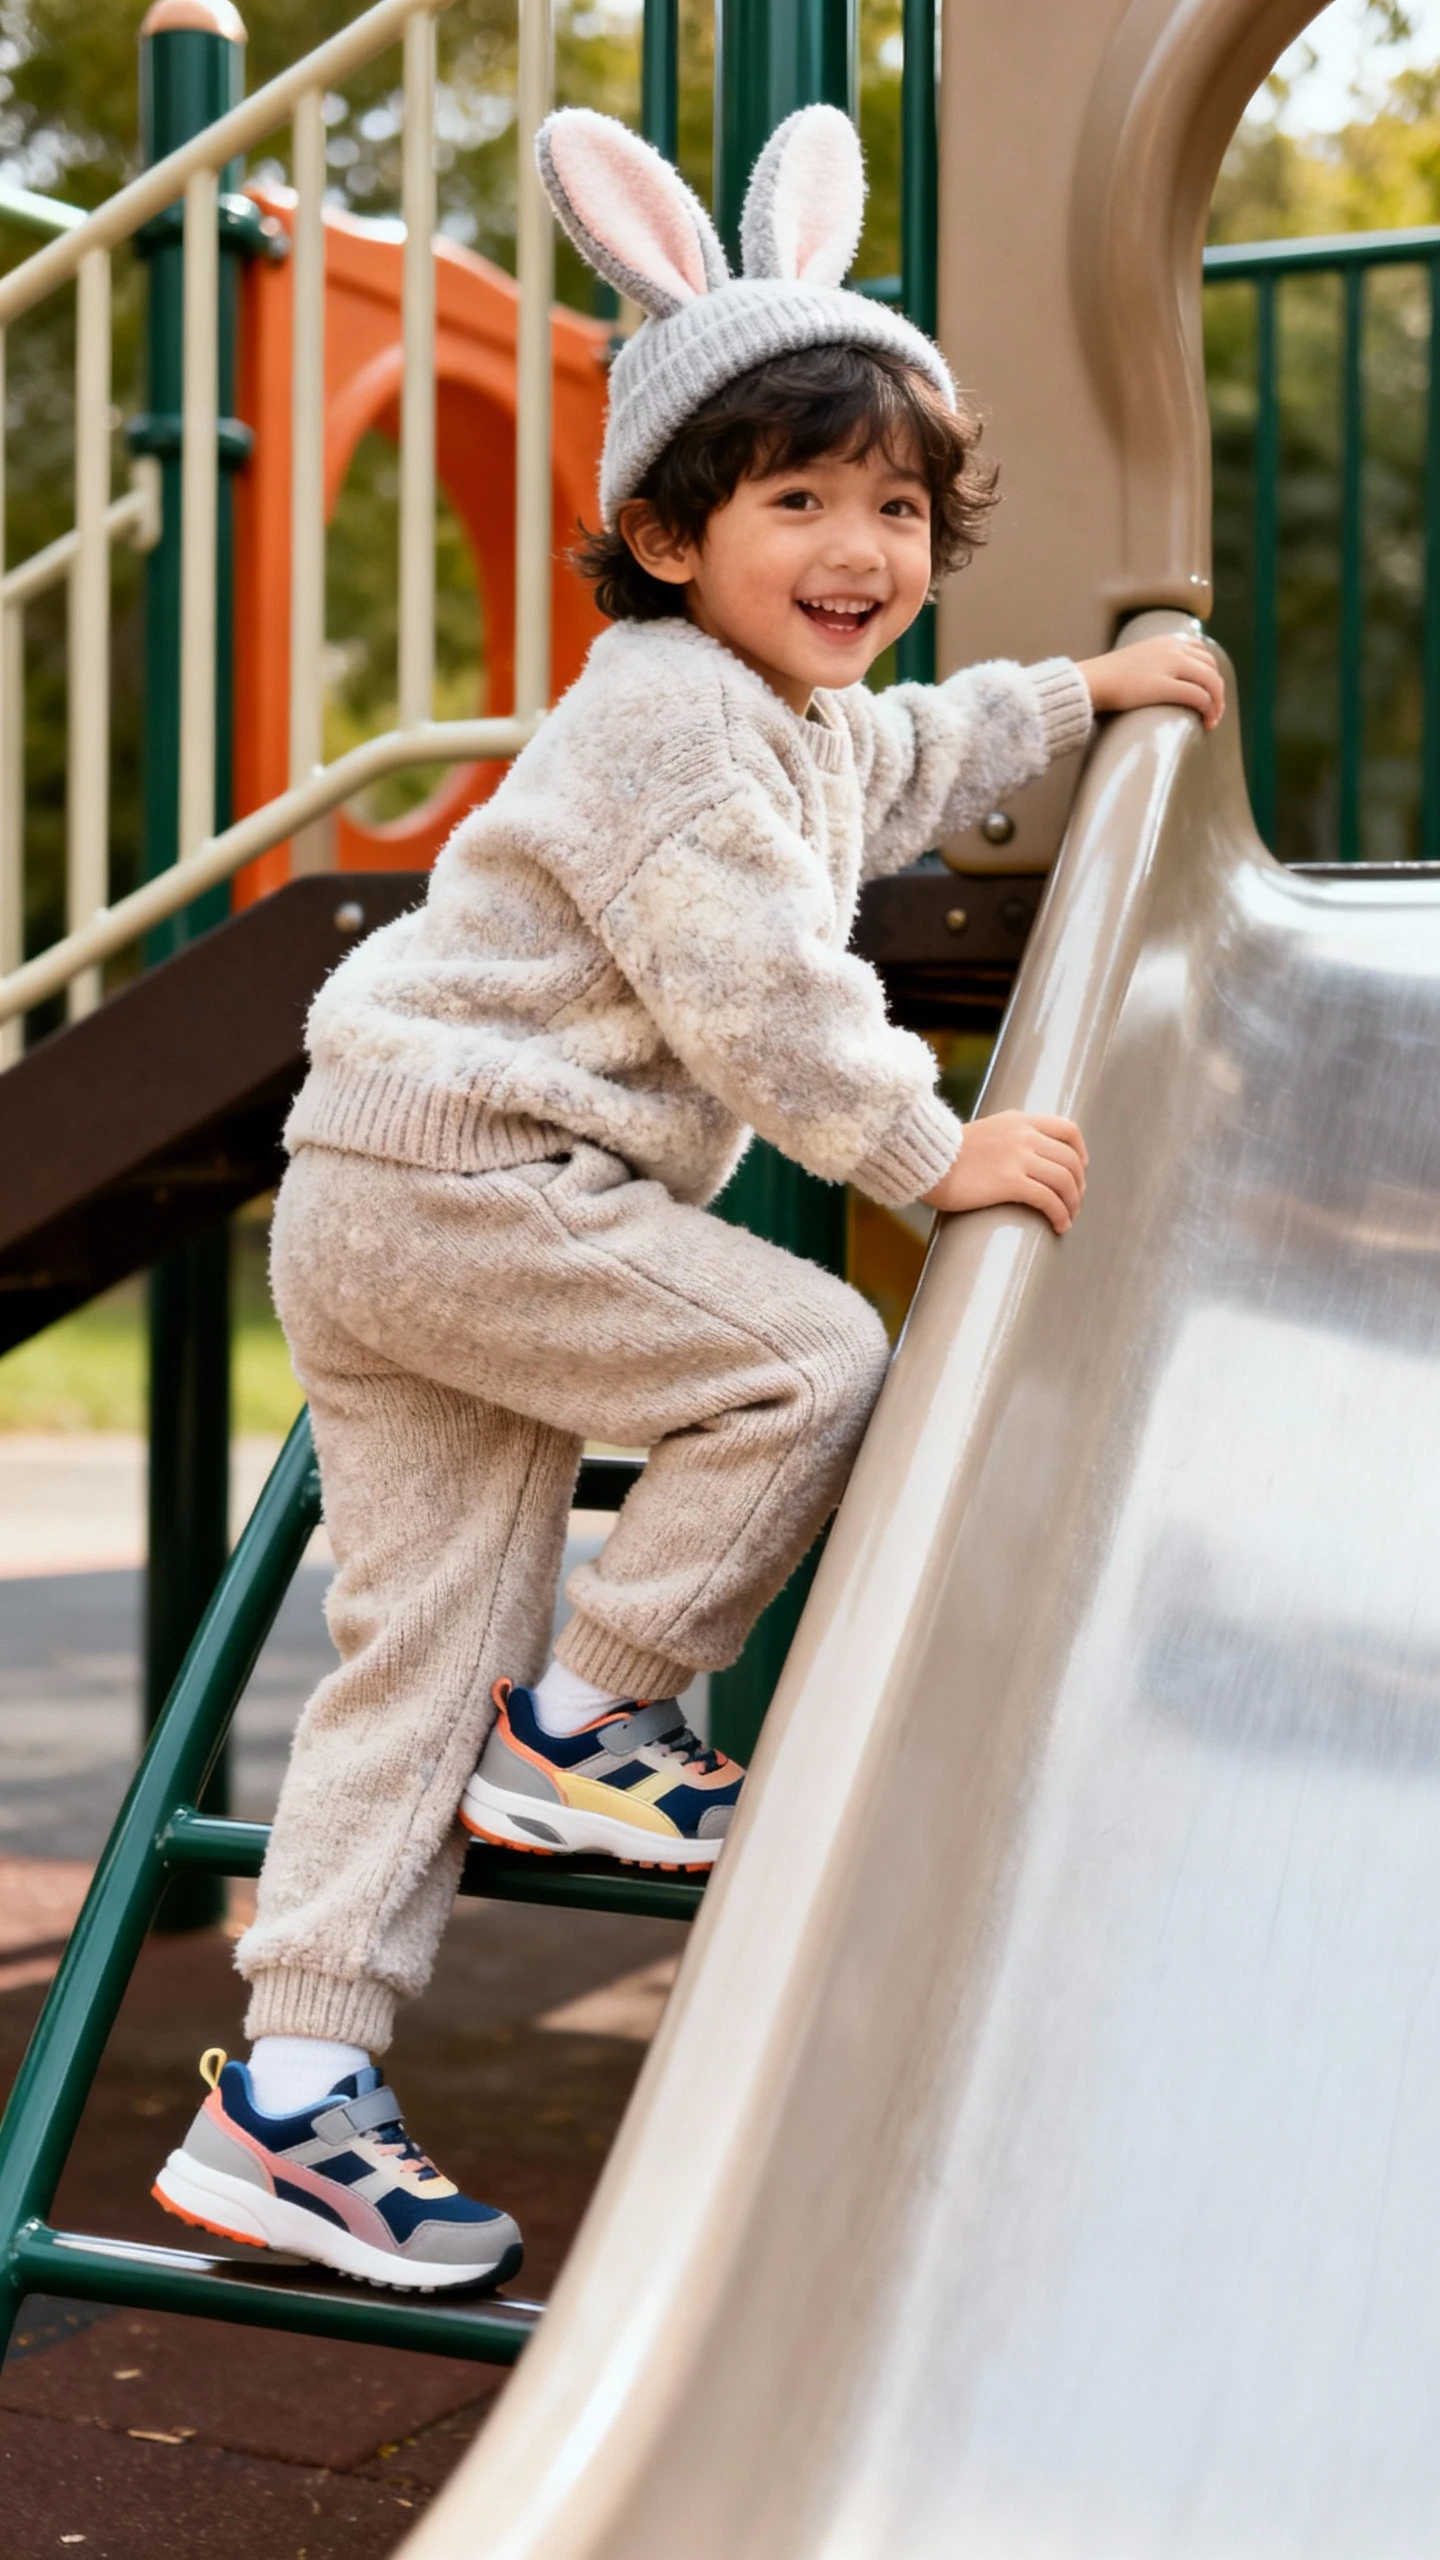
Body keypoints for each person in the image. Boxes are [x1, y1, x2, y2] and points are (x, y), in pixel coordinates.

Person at [152, 103, 1225, 2294]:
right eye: (799, 499)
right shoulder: (665, 717)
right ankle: (608, 1715)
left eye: (899, 505)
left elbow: (916, 751)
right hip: (474, 1178)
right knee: (814, 1351)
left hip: (397, 1192)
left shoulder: (802, 714)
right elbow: (763, 996)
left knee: (415, 1658)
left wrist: (1083, 692)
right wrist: (935, 1154)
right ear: (662, 537)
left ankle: (289, 2091)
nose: (862, 545)